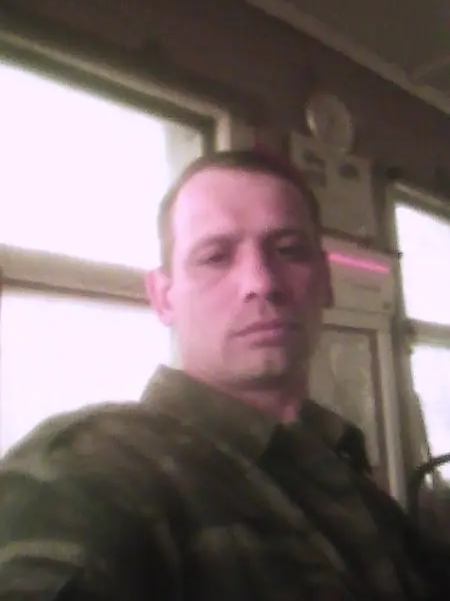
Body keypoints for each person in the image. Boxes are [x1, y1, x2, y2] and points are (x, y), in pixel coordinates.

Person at [0, 149, 448, 600]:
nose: (262, 282)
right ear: (164, 297)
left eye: (289, 251)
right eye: (215, 257)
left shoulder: (348, 473)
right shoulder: (95, 469)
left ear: (326, 281)